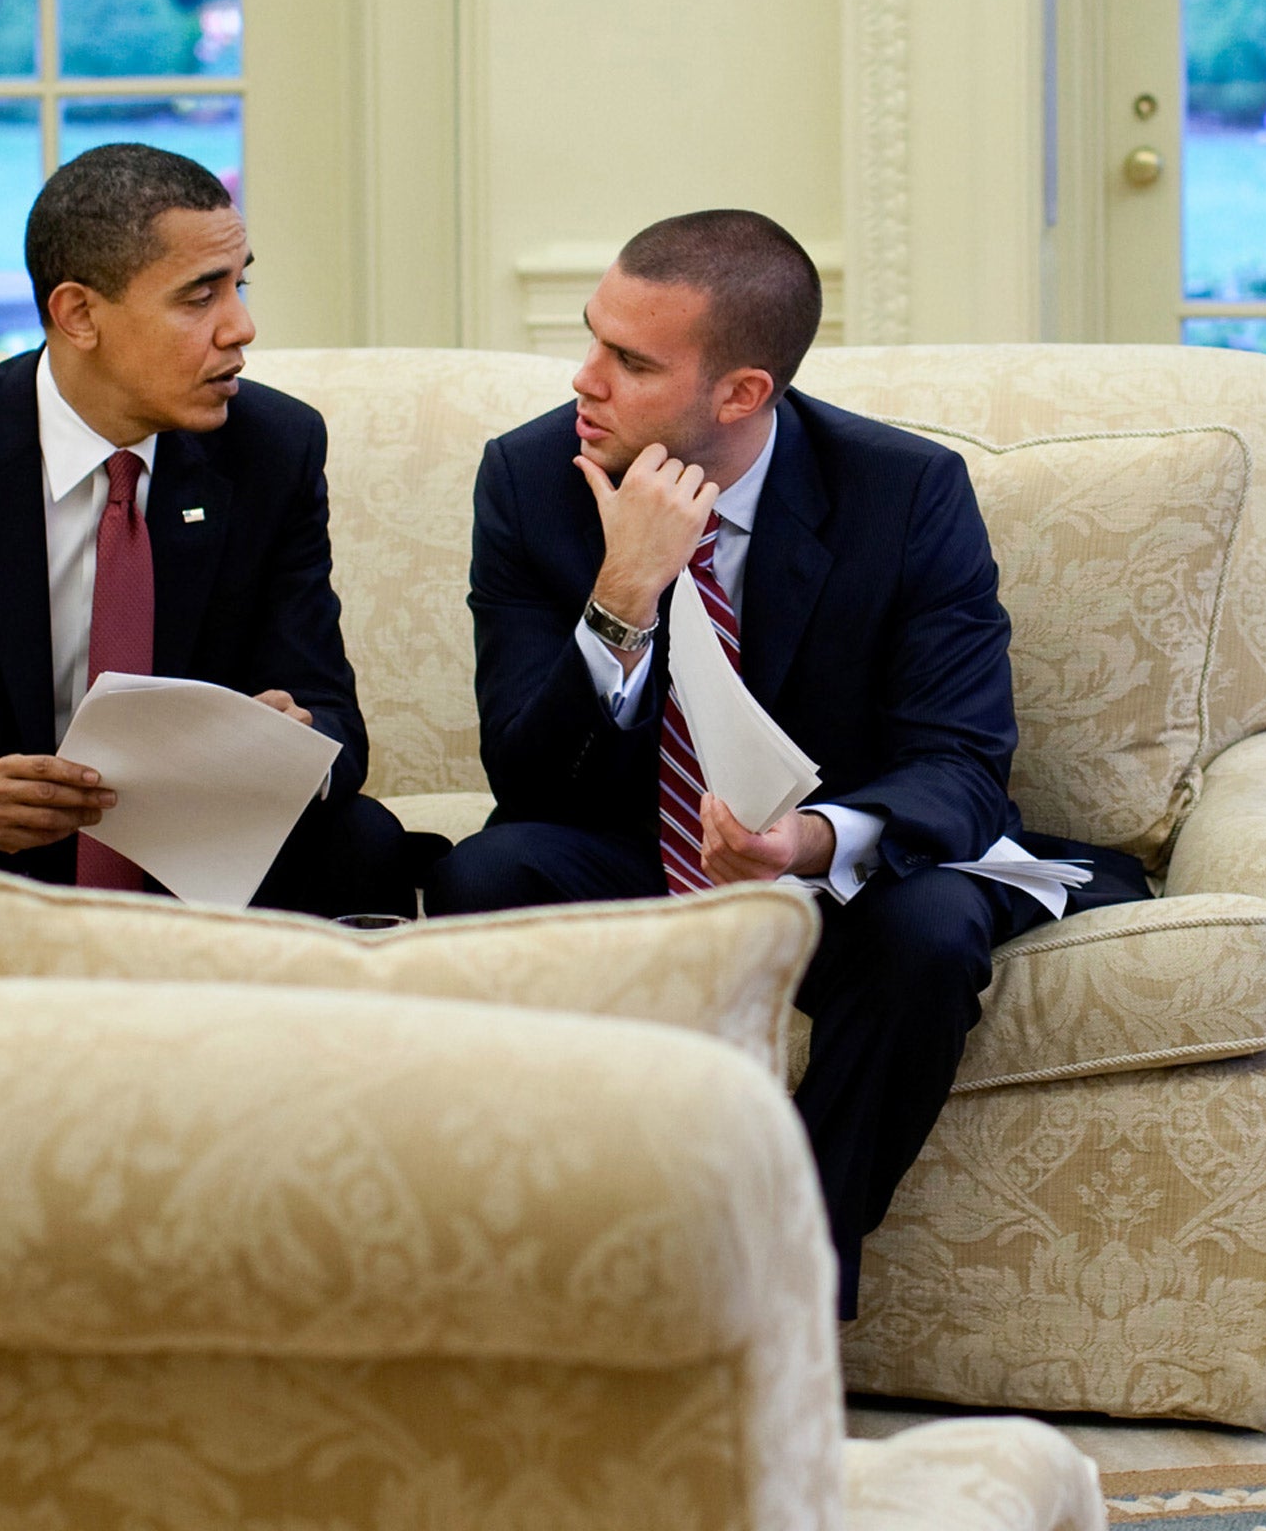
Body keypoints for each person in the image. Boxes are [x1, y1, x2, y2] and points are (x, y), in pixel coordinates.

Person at [424, 209, 1149, 1315]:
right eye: (589, 340)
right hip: (631, 853)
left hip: (828, 883)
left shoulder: (901, 494)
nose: (585, 380)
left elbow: (959, 762)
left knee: (932, 929)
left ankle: (778, 1276)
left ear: (740, 394)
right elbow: (526, 778)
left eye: (629, 360)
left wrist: (803, 840)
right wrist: (622, 595)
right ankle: (543, 1265)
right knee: (485, 875)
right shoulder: (532, 478)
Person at [0, 143, 419, 916]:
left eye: (239, 285)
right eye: (200, 297)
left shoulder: (274, 449)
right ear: (78, 315)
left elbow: (334, 720)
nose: (241, 327)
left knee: (366, 842)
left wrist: (288, 746)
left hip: (198, 861)